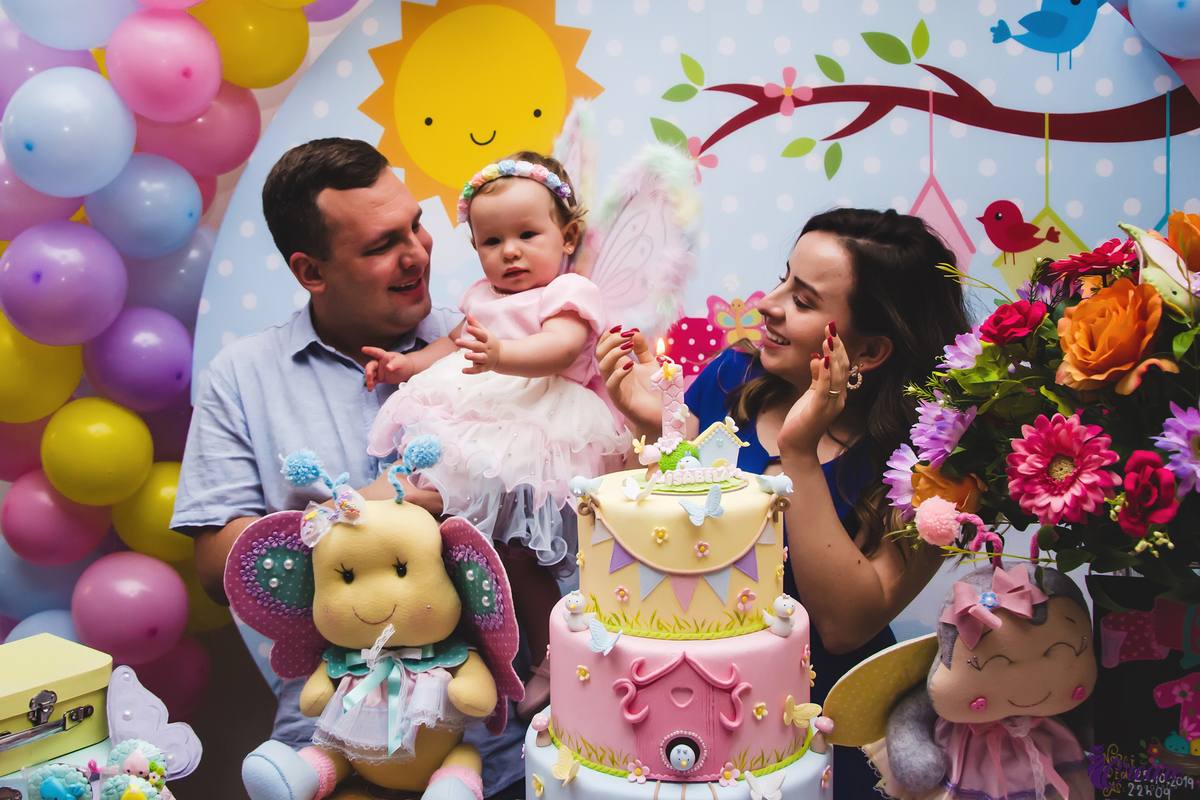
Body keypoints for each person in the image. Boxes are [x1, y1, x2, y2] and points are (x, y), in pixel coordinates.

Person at [169, 138, 526, 799]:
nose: (417, 252)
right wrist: (357, 512)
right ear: (311, 271)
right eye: (381, 244)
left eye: (416, 225)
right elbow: (217, 572)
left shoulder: (490, 349)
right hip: (326, 755)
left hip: (494, 753)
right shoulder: (242, 378)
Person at [598, 208, 971, 799]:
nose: (768, 304)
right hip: (691, 703)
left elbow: (847, 625)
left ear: (869, 350)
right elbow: (680, 532)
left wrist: (798, 453)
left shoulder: (928, 465)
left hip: (820, 726)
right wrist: (660, 424)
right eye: (782, 280)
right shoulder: (732, 379)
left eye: (802, 300)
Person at [364, 151, 624, 715]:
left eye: (527, 234)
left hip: (545, 431)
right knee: (494, 550)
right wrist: (402, 366)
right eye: (490, 241)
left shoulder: (570, 293)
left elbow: (559, 348)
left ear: (568, 235)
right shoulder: (483, 297)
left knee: (546, 557)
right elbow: (452, 343)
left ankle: (576, 657)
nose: (509, 252)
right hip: (487, 431)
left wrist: (503, 354)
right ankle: (524, 656)